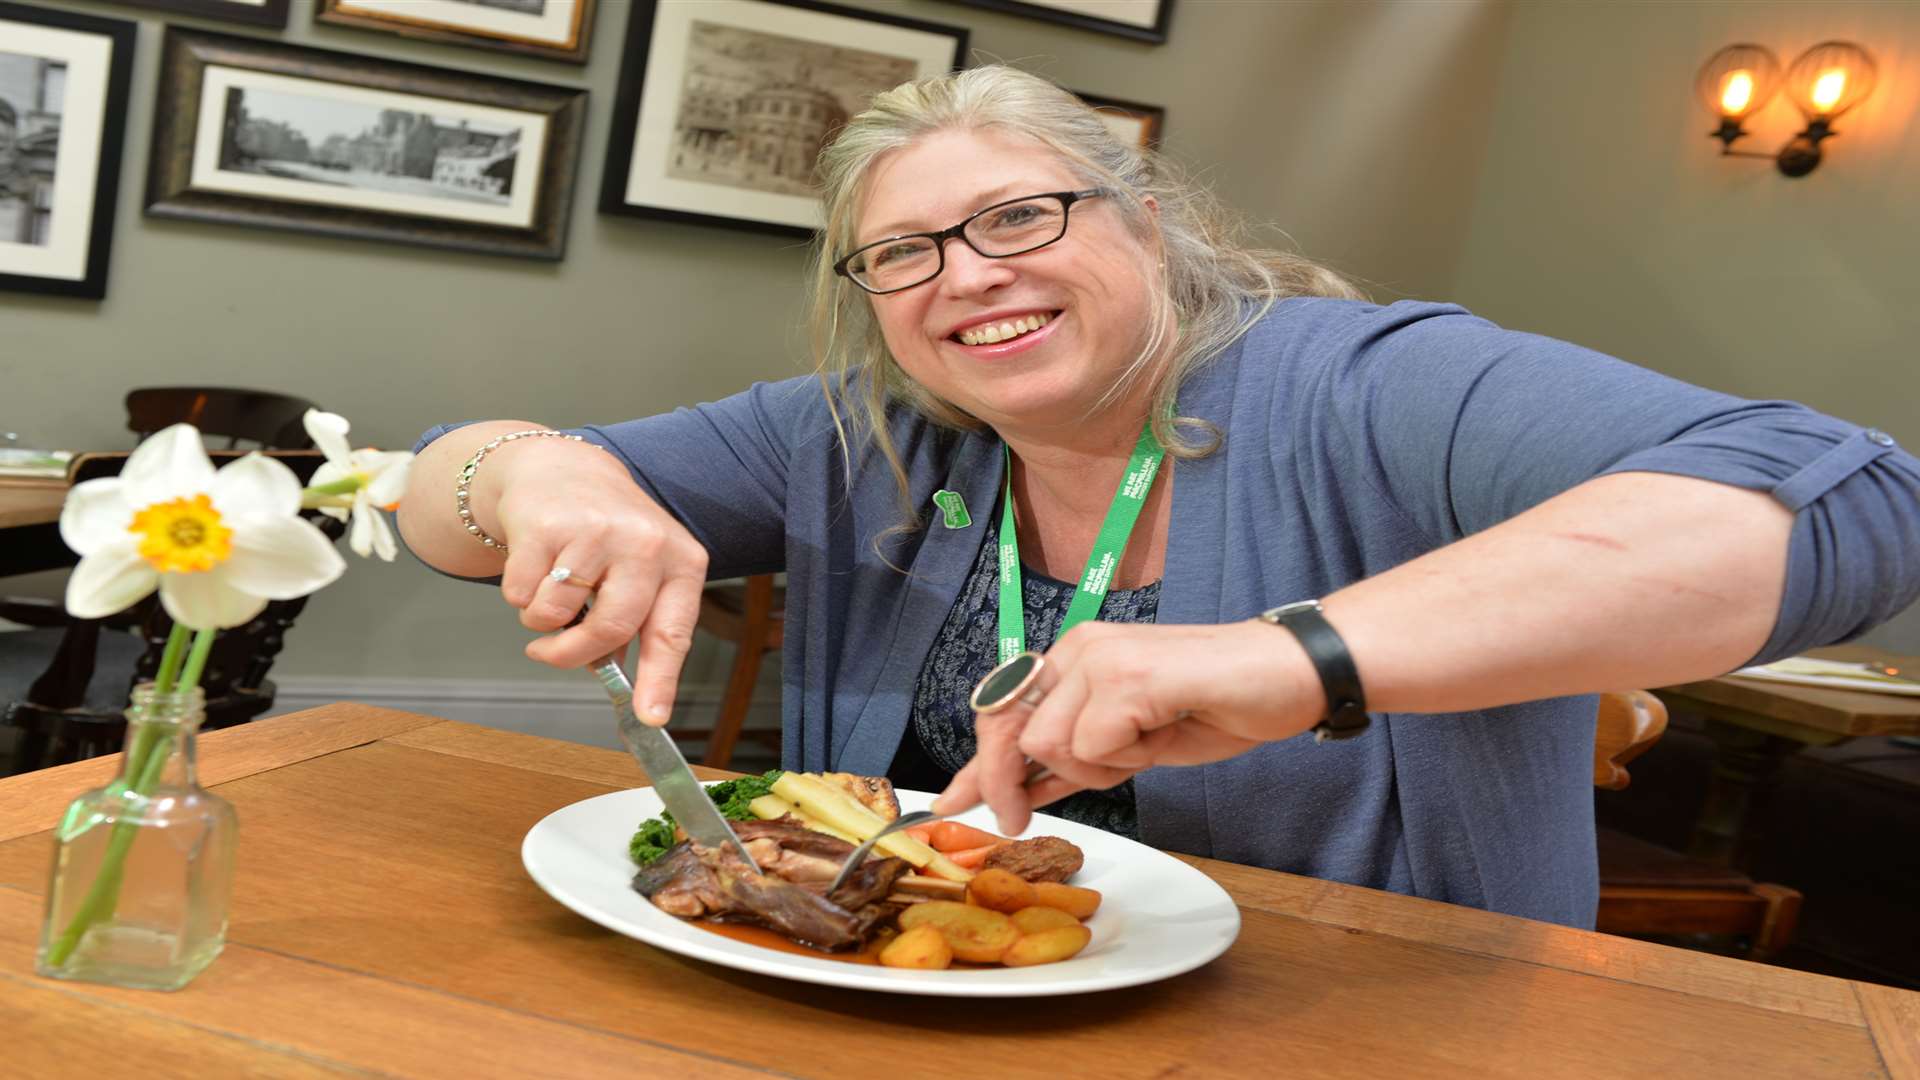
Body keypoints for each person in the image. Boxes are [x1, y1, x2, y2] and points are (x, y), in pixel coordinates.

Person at [400, 65, 1920, 929]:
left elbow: (1858, 506)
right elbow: (435, 501)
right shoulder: (861, 427)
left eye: (1018, 216)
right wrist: (532, 469)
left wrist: (1291, 657)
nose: (968, 277)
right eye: (906, 254)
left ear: (1147, 222)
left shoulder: (1367, 383)